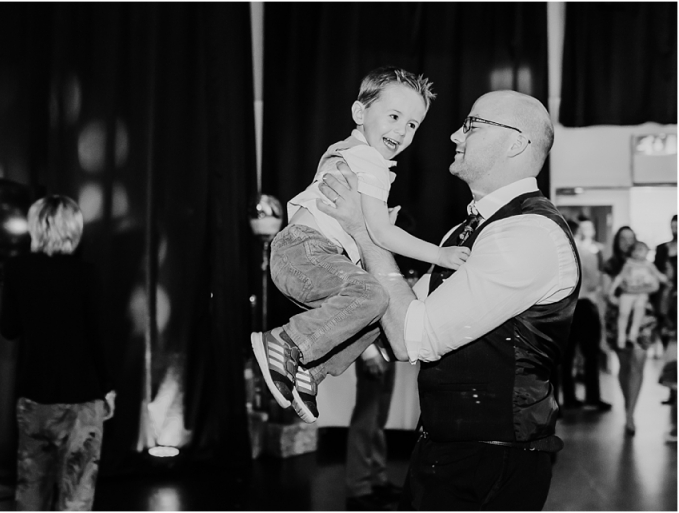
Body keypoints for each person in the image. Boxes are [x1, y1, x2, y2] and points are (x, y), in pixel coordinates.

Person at [317, 90, 580, 510]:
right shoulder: (460, 234)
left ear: (515, 143)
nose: (456, 134)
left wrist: (368, 233)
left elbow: (412, 339)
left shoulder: (530, 234)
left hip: (493, 462)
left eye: (472, 125)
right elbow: (394, 324)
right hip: (443, 451)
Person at [251, 66, 469, 424]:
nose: (401, 130)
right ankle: (286, 342)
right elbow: (381, 236)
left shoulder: (357, 153)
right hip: (302, 251)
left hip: (310, 257)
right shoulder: (368, 161)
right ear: (359, 113)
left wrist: (372, 220)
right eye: (394, 116)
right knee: (372, 295)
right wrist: (440, 254)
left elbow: (366, 227)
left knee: (377, 313)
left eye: (412, 124)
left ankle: (311, 371)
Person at [0, 195, 116, 510]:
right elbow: (99, 338)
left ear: (36, 227)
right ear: (74, 229)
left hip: (35, 396)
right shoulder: (86, 273)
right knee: (77, 492)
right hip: (82, 400)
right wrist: (108, 387)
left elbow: (8, 329)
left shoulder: (16, 269)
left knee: (31, 490)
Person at [602, 226, 658, 436]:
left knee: (638, 363)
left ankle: (631, 415)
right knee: (625, 366)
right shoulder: (612, 265)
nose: (626, 243)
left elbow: (654, 287)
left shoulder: (645, 263)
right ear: (617, 242)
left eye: (630, 239)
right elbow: (608, 294)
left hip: (644, 319)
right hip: (618, 320)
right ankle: (628, 405)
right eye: (622, 239)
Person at [345, 339, 401, 511]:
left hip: (388, 345)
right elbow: (357, 314)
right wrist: (367, 350)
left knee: (378, 418)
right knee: (366, 418)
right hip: (372, 344)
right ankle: (358, 488)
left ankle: (377, 480)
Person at [562, 217, 611, 411]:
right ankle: (592, 397)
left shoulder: (559, 252)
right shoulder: (588, 253)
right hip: (584, 304)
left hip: (565, 307)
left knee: (567, 356)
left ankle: (569, 398)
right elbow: (592, 282)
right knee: (591, 354)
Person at [608, 240, 667, 349]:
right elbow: (619, 278)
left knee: (639, 309)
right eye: (635, 250)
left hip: (641, 294)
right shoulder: (628, 264)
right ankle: (621, 336)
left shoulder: (648, 265)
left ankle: (633, 334)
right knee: (623, 313)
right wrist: (612, 290)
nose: (638, 253)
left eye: (641, 250)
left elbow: (658, 276)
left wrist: (666, 279)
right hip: (627, 293)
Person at [654, 214, 677, 404]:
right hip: (665, 300)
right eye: (673, 226)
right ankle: (672, 389)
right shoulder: (662, 248)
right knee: (667, 344)